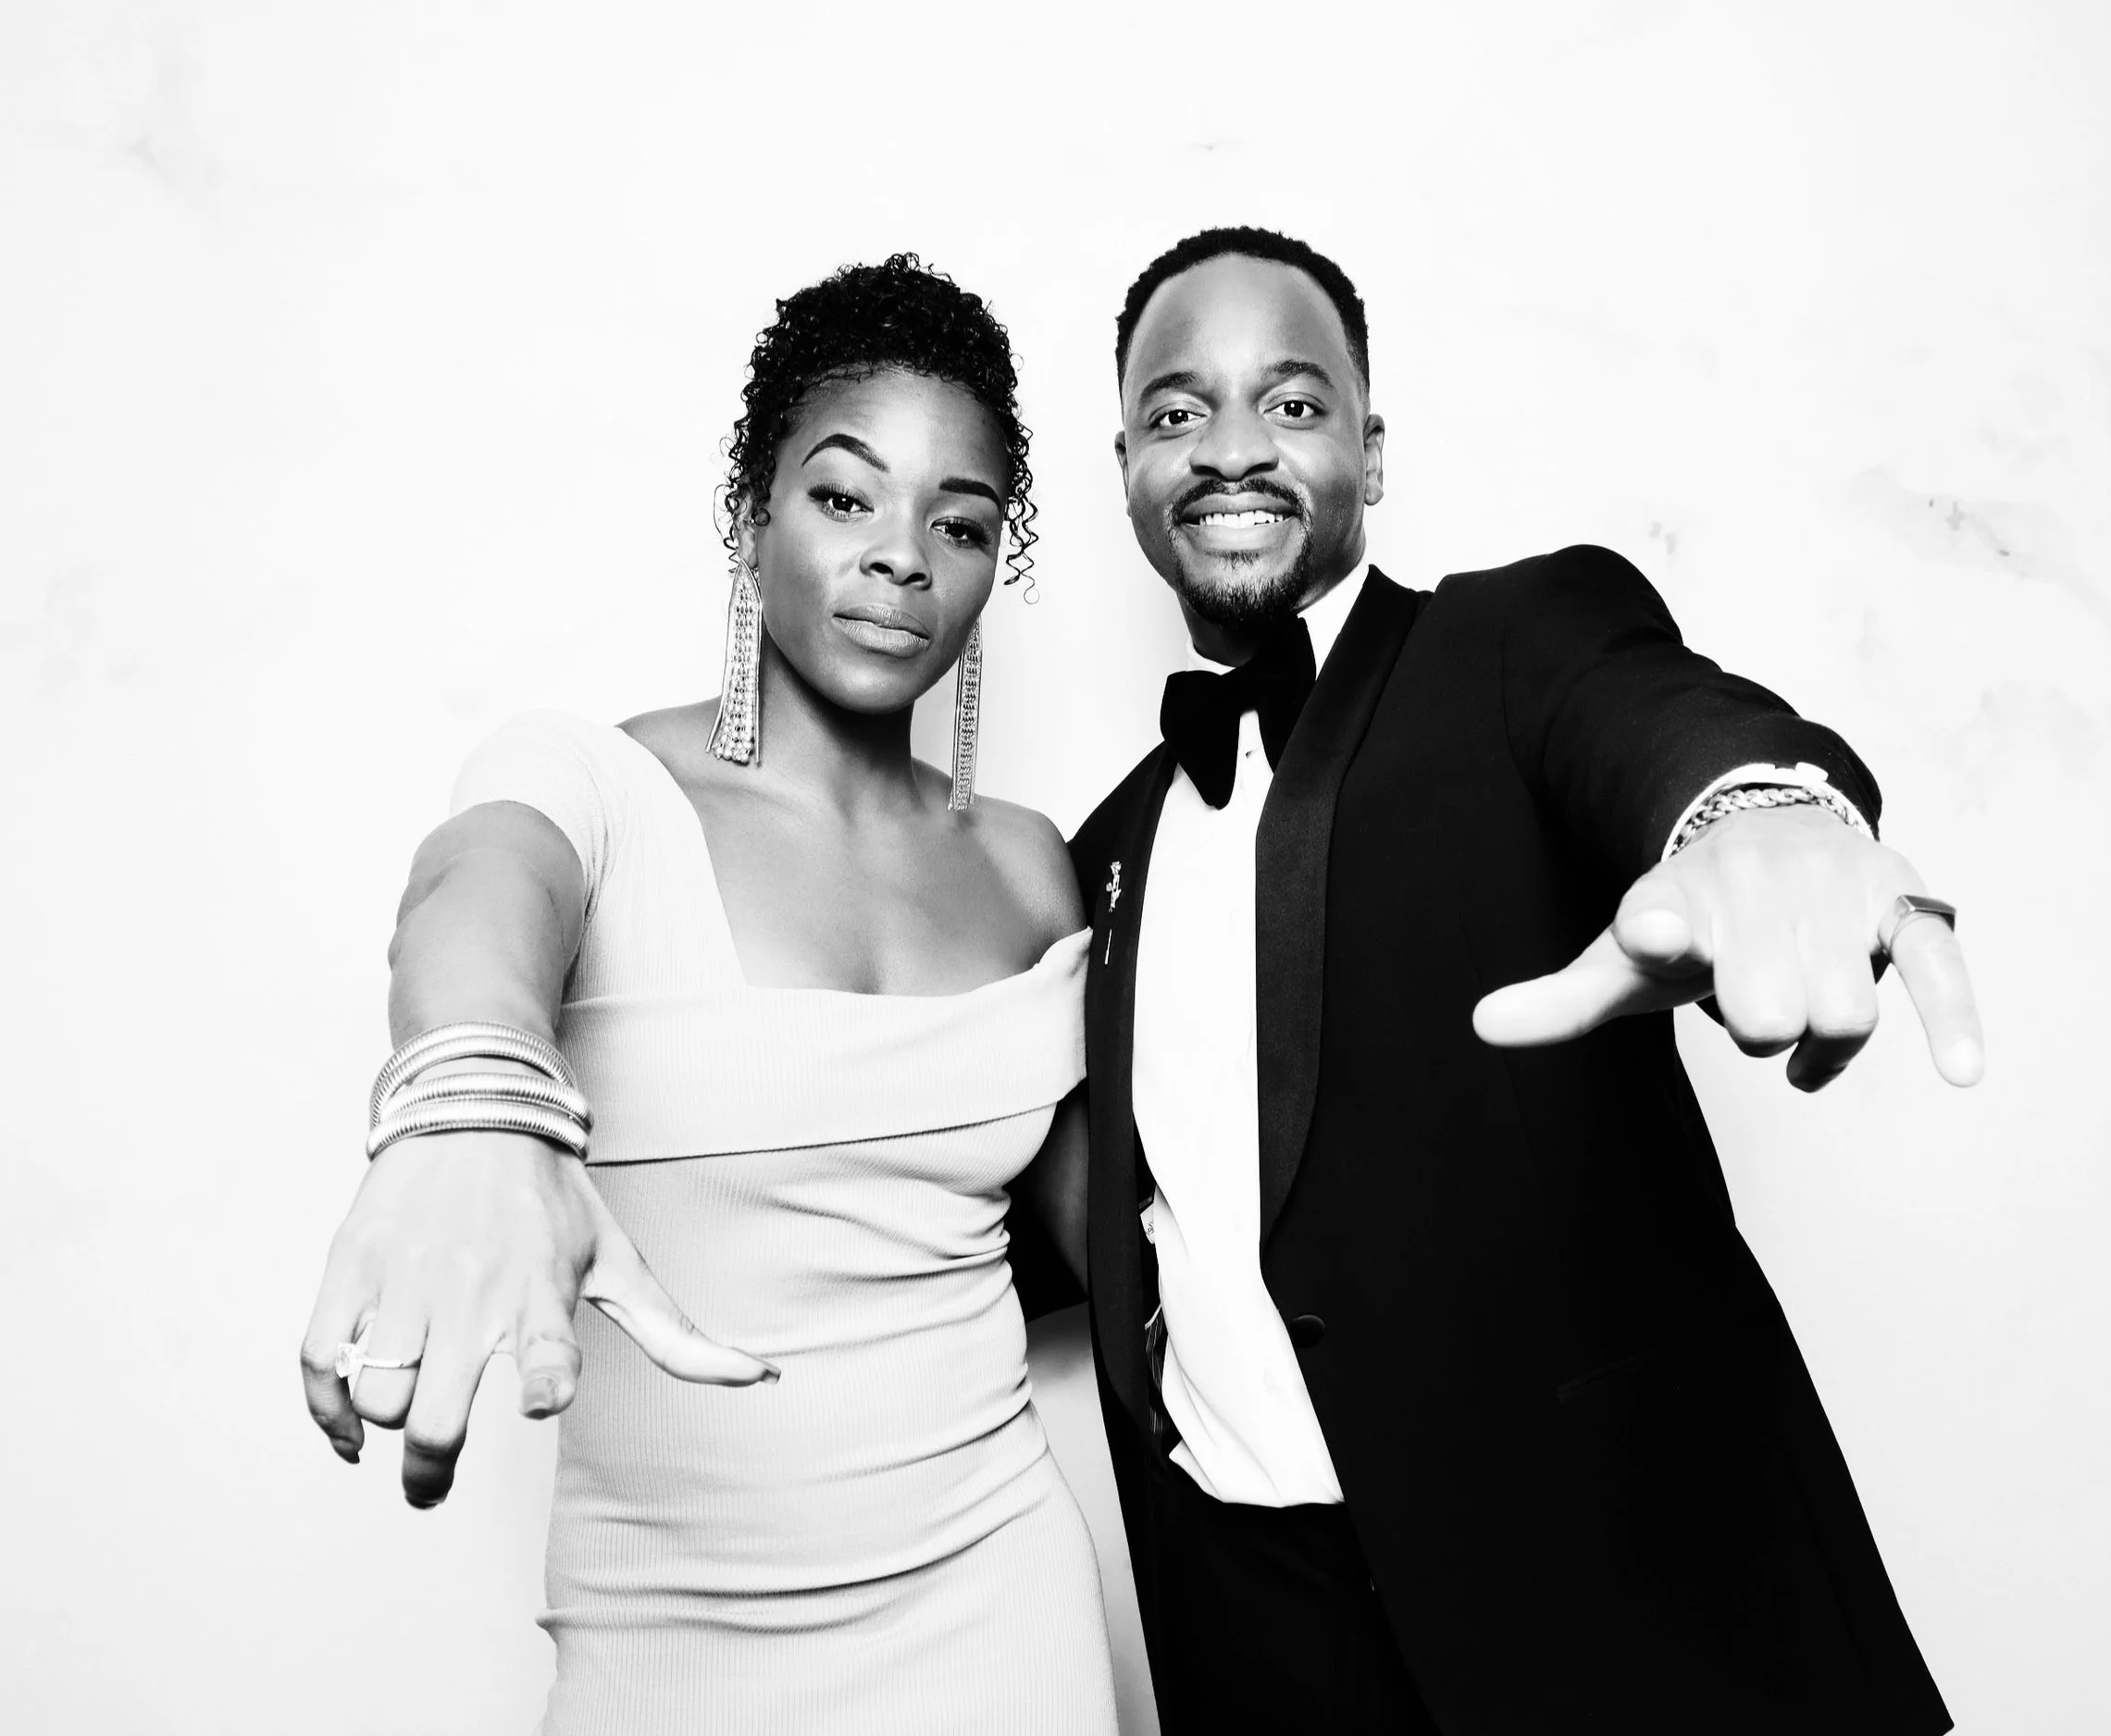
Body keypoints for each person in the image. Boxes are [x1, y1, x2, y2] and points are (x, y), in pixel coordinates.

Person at [1063, 227, 1981, 1733]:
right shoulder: (1109, 850)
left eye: (1291, 404)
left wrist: (1752, 809)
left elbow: (1657, 723)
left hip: (1622, 1621)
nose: (1231, 450)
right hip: (1265, 1647)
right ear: (1126, 468)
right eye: (1179, 413)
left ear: (1373, 446)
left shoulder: (1513, 642)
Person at [301, 256, 1117, 1734]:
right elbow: (474, 889)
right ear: (752, 520)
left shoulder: (1029, 868)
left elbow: (1113, 1244)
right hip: (667, 1639)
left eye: (961, 522)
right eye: (844, 497)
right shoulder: (597, 785)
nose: (902, 558)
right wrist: (476, 1100)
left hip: (996, 1602)